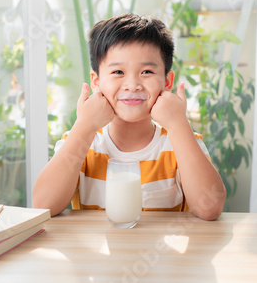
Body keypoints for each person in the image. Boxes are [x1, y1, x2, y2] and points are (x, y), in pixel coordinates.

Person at [33, 13, 226, 220]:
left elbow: (210, 208)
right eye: (117, 72)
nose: (132, 85)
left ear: (167, 81)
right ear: (96, 82)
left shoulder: (181, 141)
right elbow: (44, 205)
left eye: (146, 72)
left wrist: (179, 125)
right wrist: (84, 126)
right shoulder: (82, 141)